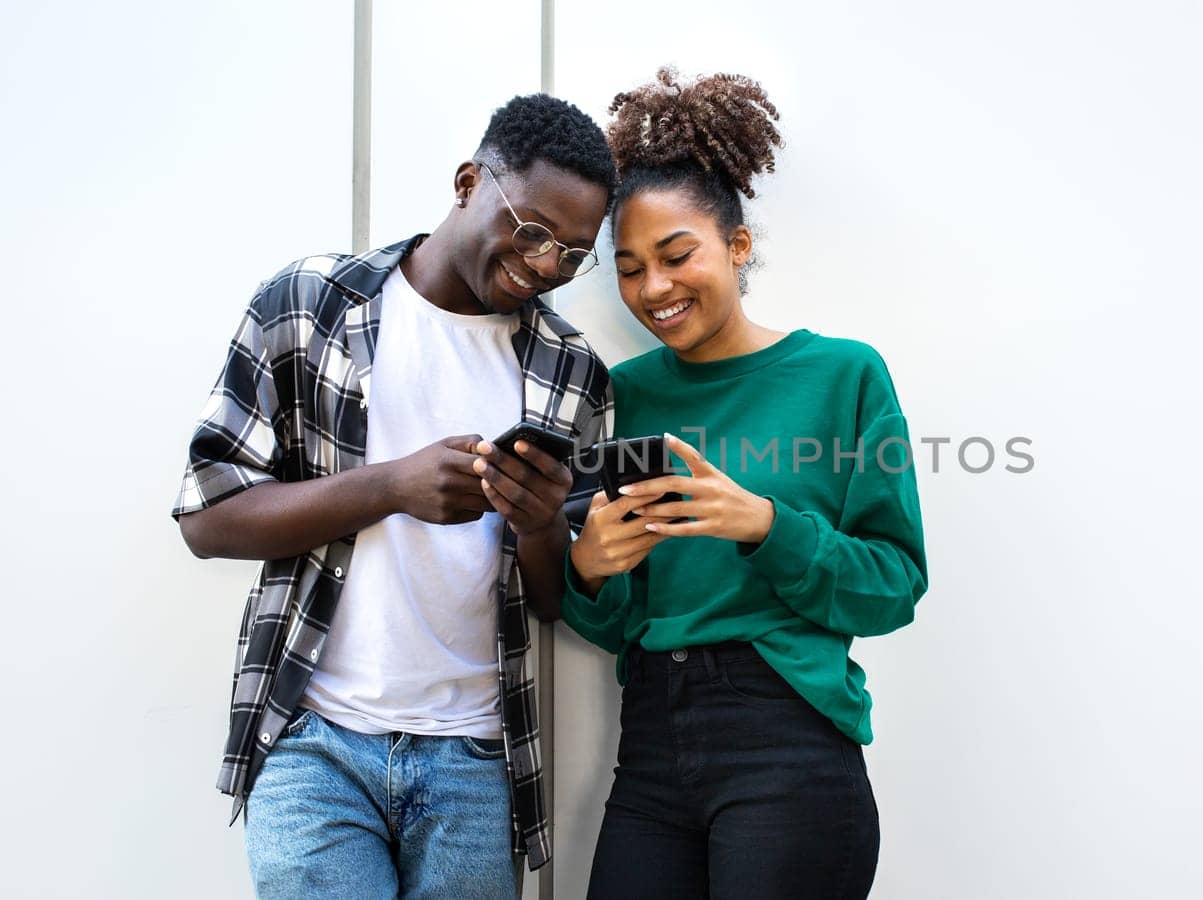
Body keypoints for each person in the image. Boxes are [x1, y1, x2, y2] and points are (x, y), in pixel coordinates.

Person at [171, 94, 616, 898]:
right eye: (534, 231)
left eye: (573, 253)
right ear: (469, 182)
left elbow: (553, 603)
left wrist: (542, 523)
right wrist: (389, 486)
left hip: (475, 760)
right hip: (313, 743)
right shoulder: (308, 304)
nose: (546, 265)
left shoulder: (570, 372)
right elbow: (208, 519)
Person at [562, 68, 929, 900]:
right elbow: (616, 619)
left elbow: (895, 587)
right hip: (651, 740)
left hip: (786, 740)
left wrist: (766, 524)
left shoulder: (844, 375)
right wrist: (589, 568)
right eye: (628, 267)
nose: (653, 287)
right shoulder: (628, 394)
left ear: (736, 246)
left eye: (676, 254)